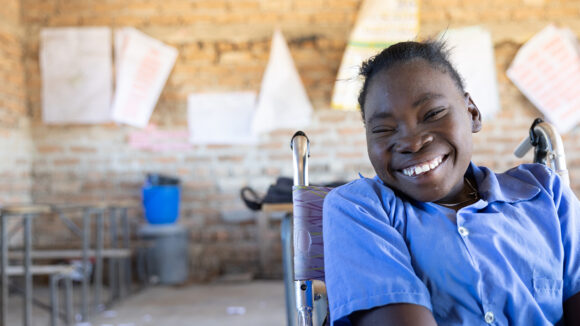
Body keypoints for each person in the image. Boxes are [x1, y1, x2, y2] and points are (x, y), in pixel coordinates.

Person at [322, 40, 580, 325]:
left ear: (472, 113)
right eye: (383, 129)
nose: (412, 142)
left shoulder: (545, 194)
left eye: (432, 114)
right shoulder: (360, 209)